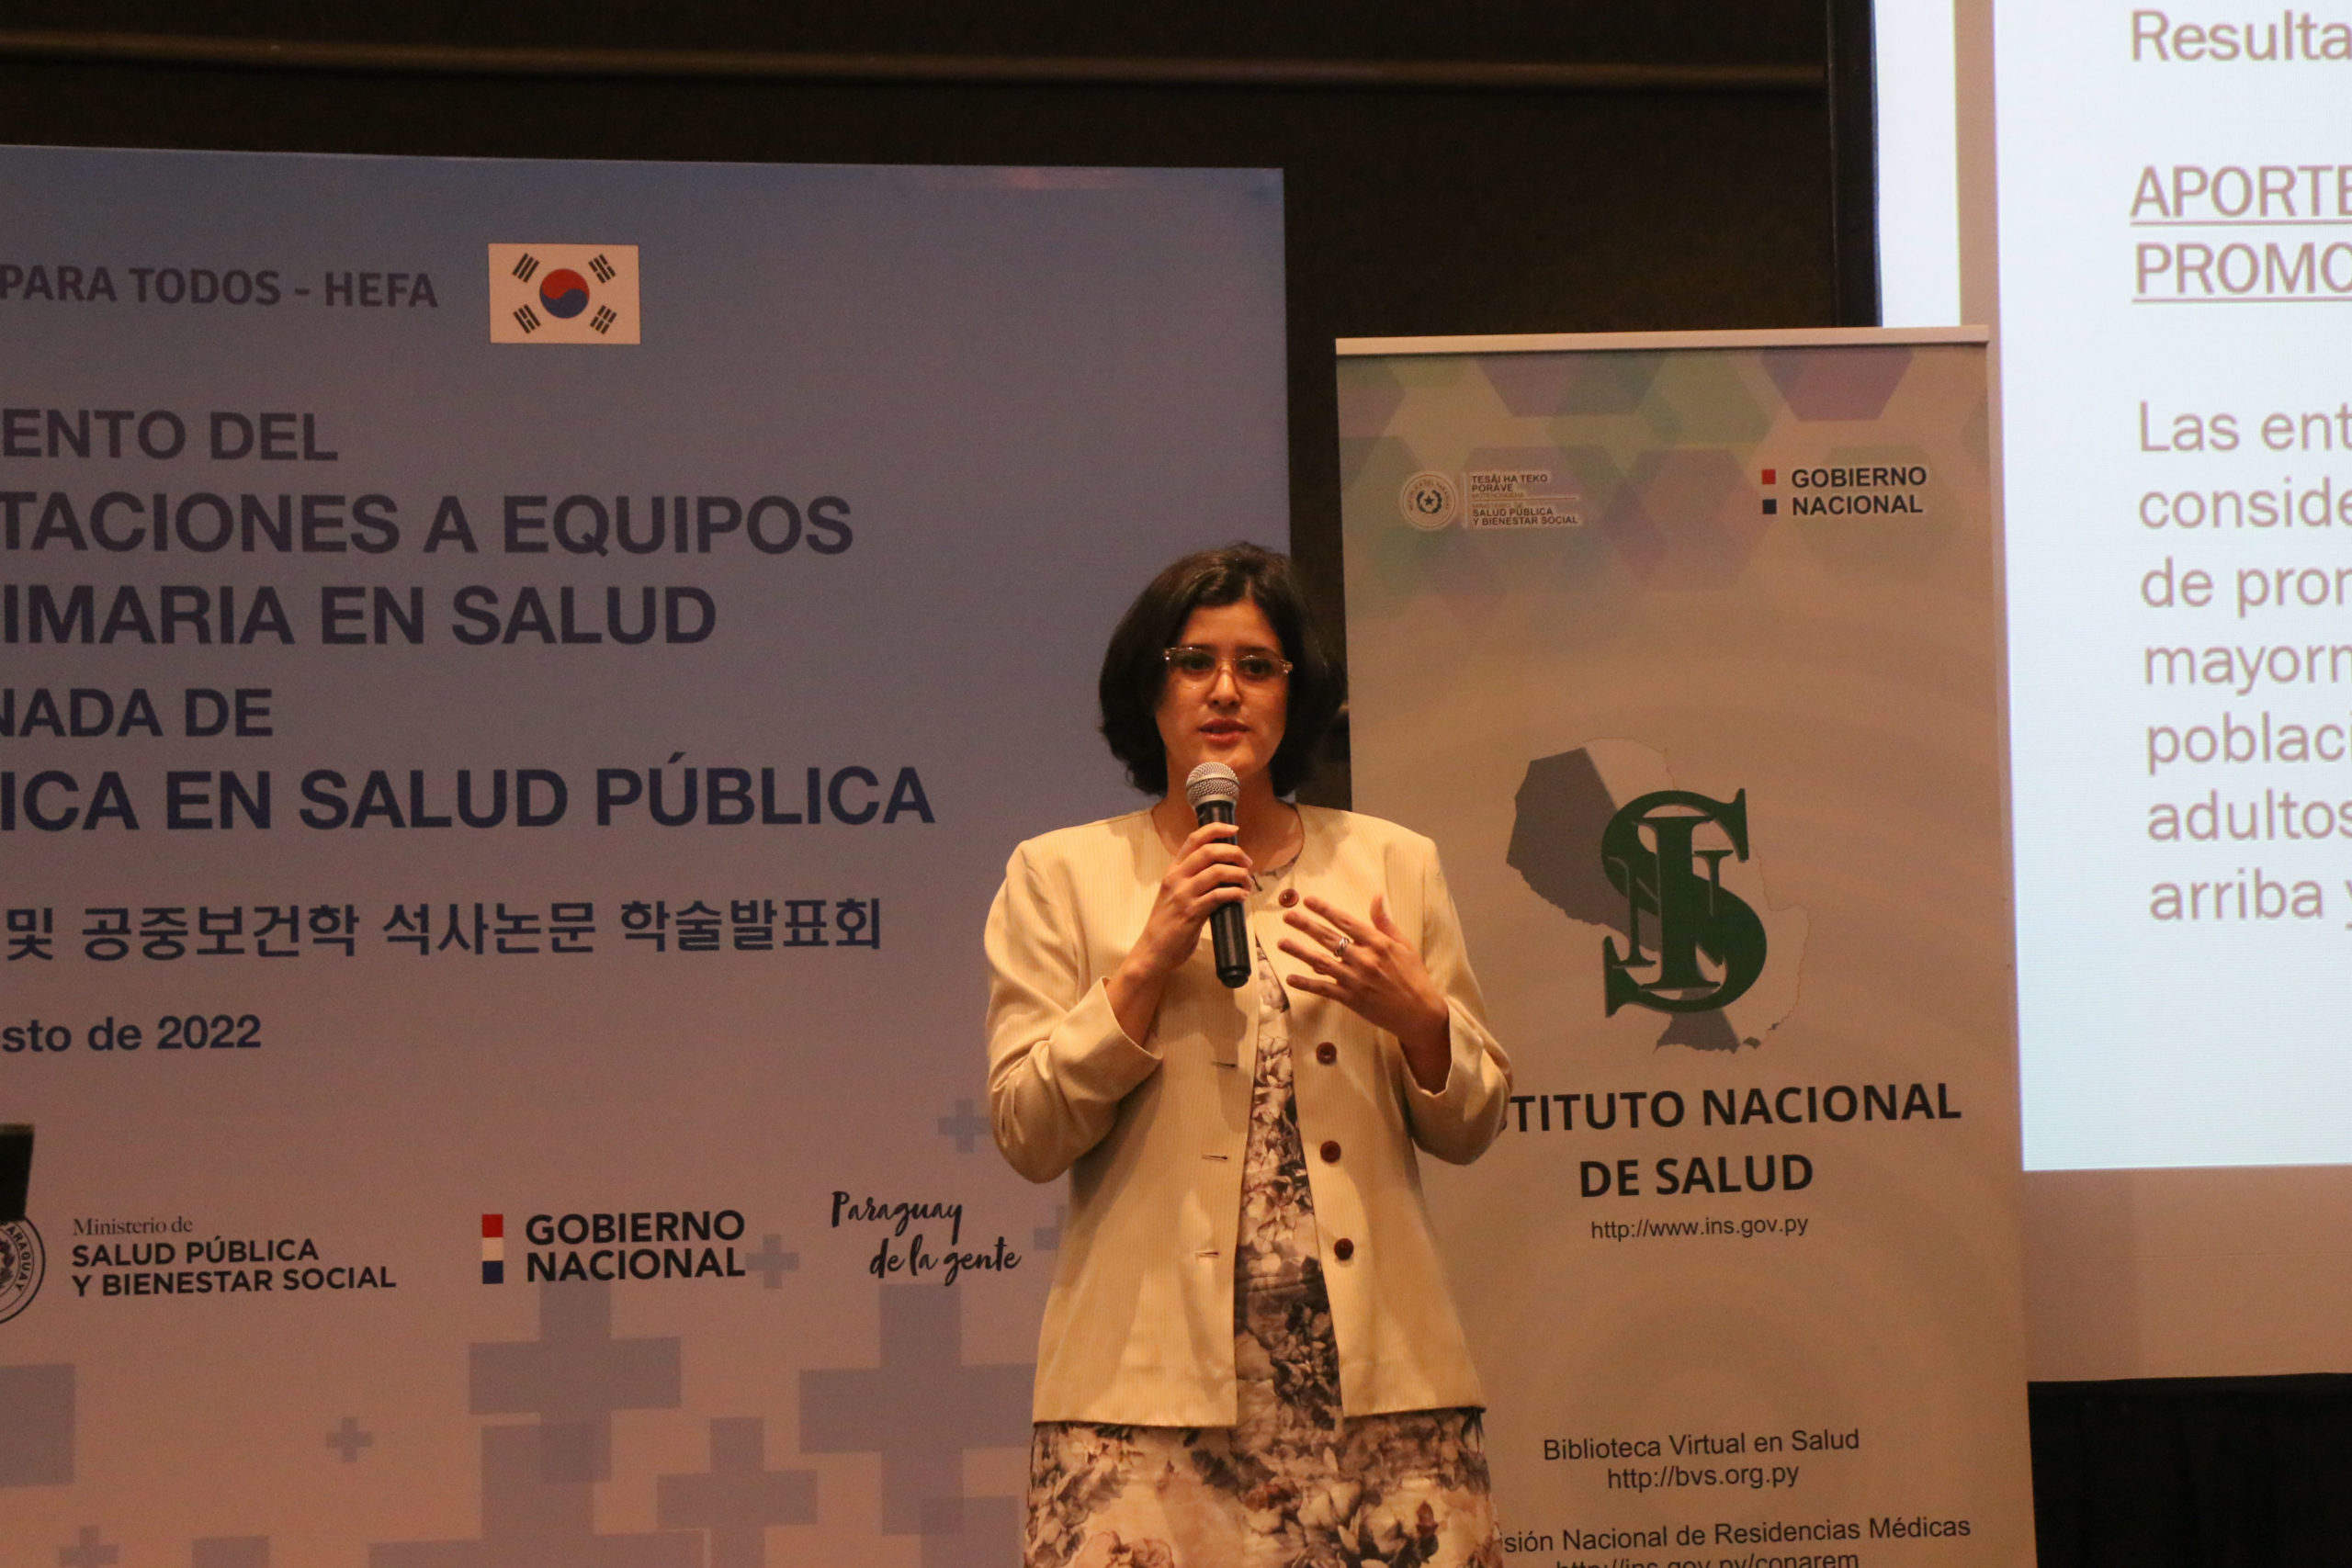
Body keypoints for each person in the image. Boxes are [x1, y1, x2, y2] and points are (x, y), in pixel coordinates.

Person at [985, 543, 1512, 1568]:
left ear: (1294, 693)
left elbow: (1473, 1120)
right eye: (1193, 661)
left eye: (1257, 665)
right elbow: (1028, 1131)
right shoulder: (1059, 874)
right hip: (1141, 1405)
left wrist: (1420, 1020)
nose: (1224, 690)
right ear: (1148, 687)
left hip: (1381, 1396)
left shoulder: (1393, 862)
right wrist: (1145, 964)